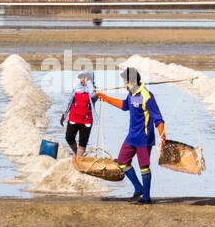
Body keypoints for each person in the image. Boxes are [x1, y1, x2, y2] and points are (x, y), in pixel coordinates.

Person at [95, 67, 166, 204]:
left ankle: (146, 198)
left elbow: (158, 118)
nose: (124, 84)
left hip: (144, 138)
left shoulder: (147, 96)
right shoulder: (132, 94)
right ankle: (138, 188)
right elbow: (125, 105)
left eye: (126, 82)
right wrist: (106, 98)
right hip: (132, 136)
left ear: (133, 81)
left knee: (144, 167)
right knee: (122, 161)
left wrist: (162, 136)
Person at [60, 70, 96, 156]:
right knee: (69, 138)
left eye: (85, 77)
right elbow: (69, 102)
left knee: (82, 143)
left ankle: (79, 158)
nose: (82, 79)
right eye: (82, 77)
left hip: (86, 121)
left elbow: (94, 97)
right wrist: (64, 115)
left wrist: (91, 86)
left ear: (89, 79)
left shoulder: (93, 91)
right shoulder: (76, 89)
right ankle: (77, 154)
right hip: (74, 118)